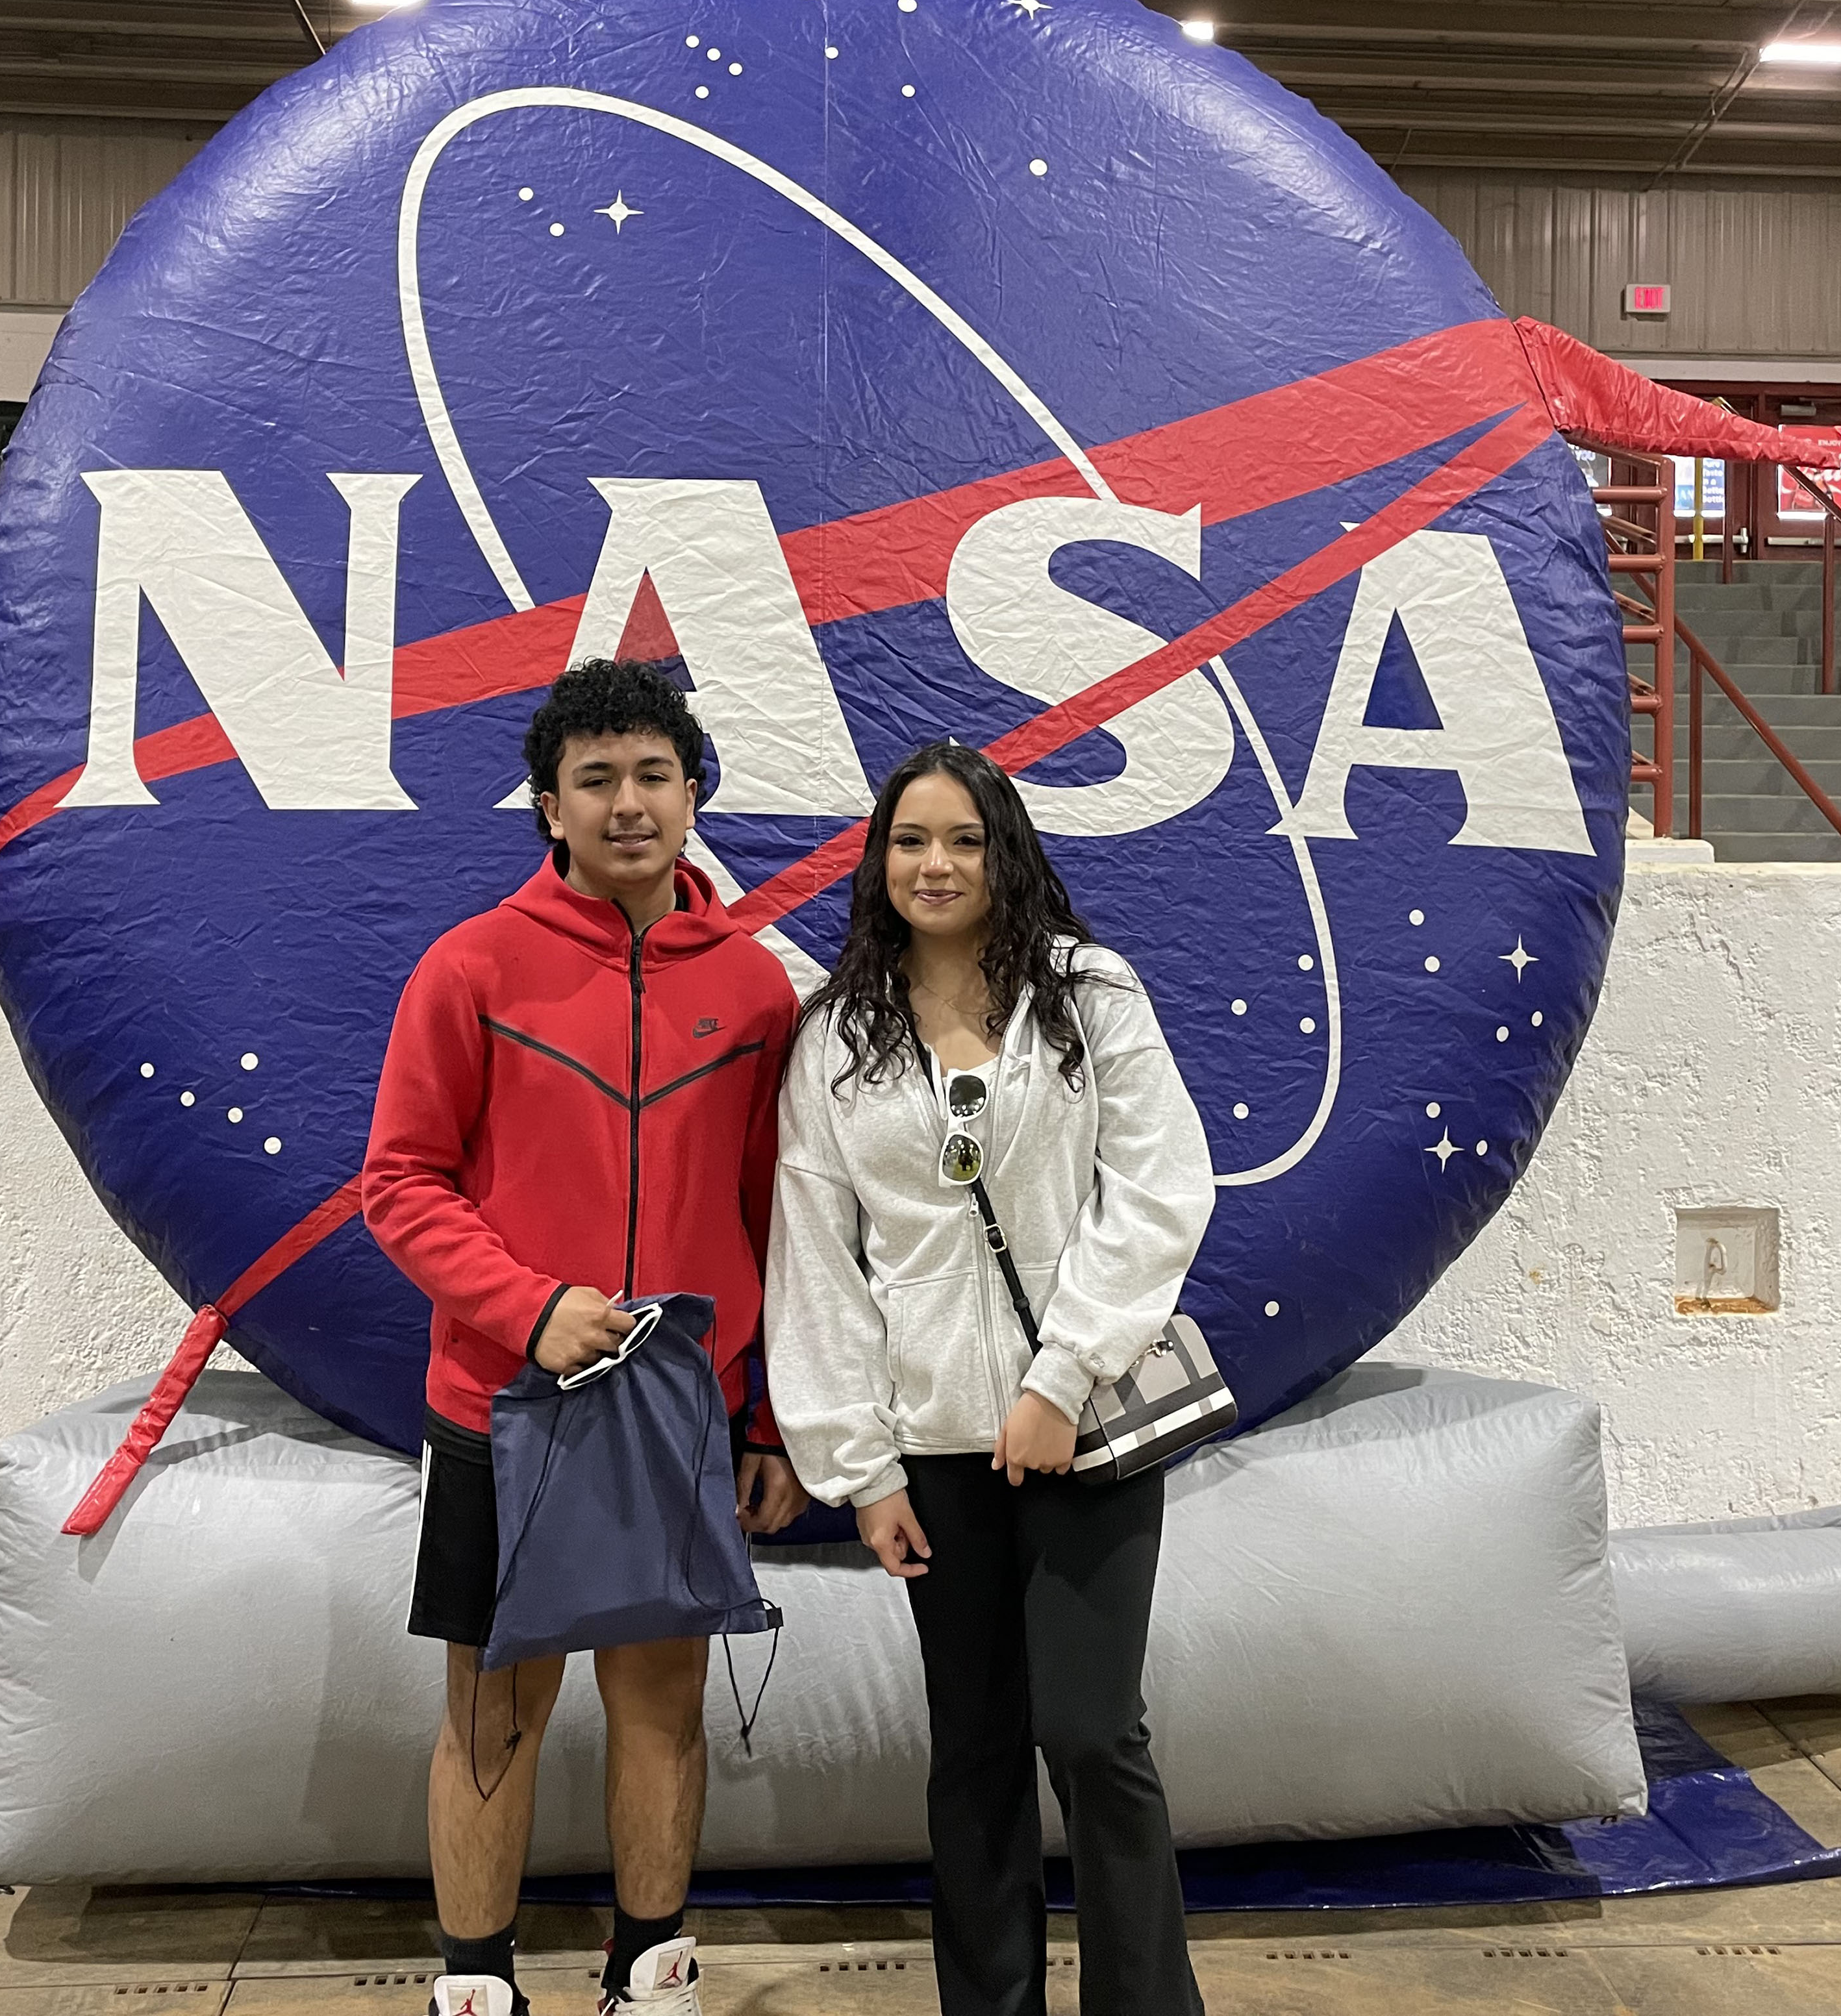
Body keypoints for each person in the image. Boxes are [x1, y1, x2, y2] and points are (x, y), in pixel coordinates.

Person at [363, 658, 810, 2016]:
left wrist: (768, 1418)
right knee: (493, 1717)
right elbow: (400, 1184)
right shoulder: (471, 967)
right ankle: (476, 1988)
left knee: (662, 1705)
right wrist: (529, 1306)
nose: (628, 804)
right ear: (550, 806)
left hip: (676, 1416)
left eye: (653, 776)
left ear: (692, 793)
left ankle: (652, 1973)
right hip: (503, 1407)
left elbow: (776, 1224)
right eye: (597, 780)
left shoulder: (756, 989)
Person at [764, 740, 1216, 2016]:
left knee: (1089, 1732)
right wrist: (858, 1466)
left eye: (963, 838)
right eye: (912, 841)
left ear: (1005, 849)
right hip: (930, 1452)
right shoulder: (836, 1038)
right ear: (880, 860)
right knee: (970, 1752)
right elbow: (816, 1262)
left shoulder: (1089, 994)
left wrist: (1062, 1377)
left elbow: (1161, 1189)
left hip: (1082, 1432)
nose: (938, 863)